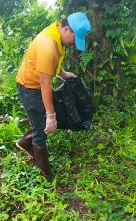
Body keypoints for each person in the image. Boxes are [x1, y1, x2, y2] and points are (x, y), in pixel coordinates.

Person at [16, 12, 91, 181]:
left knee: (53, 115)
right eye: (74, 38)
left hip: (38, 85)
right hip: (30, 87)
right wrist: (51, 116)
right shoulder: (48, 45)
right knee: (42, 129)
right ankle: (46, 176)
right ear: (66, 29)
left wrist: (63, 74)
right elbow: (45, 84)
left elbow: (51, 64)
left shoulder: (56, 33)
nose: (73, 43)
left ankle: (24, 142)